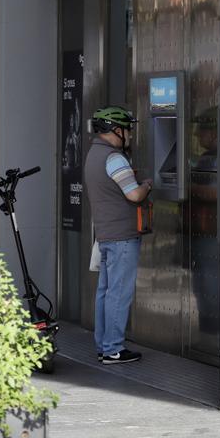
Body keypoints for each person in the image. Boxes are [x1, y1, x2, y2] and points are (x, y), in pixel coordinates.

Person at [85, 105, 152, 365]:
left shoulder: (94, 155)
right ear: (116, 130)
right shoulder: (114, 158)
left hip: (105, 234)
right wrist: (146, 185)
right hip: (123, 236)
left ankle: (104, 345)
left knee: (105, 291)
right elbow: (134, 195)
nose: (131, 135)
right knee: (119, 292)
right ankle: (113, 348)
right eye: (128, 130)